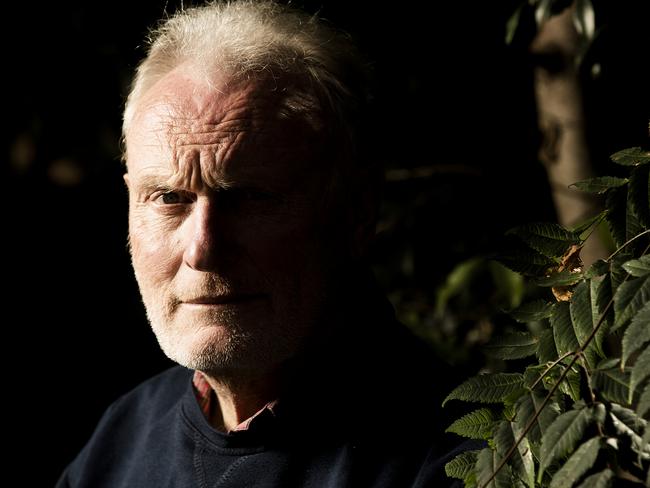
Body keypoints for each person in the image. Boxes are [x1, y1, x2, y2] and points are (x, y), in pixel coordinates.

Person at [56, 1, 465, 486]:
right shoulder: (120, 440)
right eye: (169, 197)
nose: (202, 250)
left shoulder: (462, 459)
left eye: (249, 198)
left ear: (356, 213)